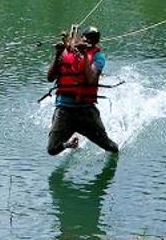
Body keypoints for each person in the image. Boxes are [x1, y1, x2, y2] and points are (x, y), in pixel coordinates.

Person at [44, 26, 119, 156]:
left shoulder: (98, 57)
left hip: (86, 111)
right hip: (64, 110)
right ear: (80, 38)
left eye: (91, 40)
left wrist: (84, 55)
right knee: (52, 149)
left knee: (111, 148)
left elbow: (91, 79)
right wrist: (57, 54)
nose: (87, 42)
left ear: (95, 42)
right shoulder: (65, 53)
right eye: (86, 38)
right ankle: (70, 144)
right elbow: (50, 78)